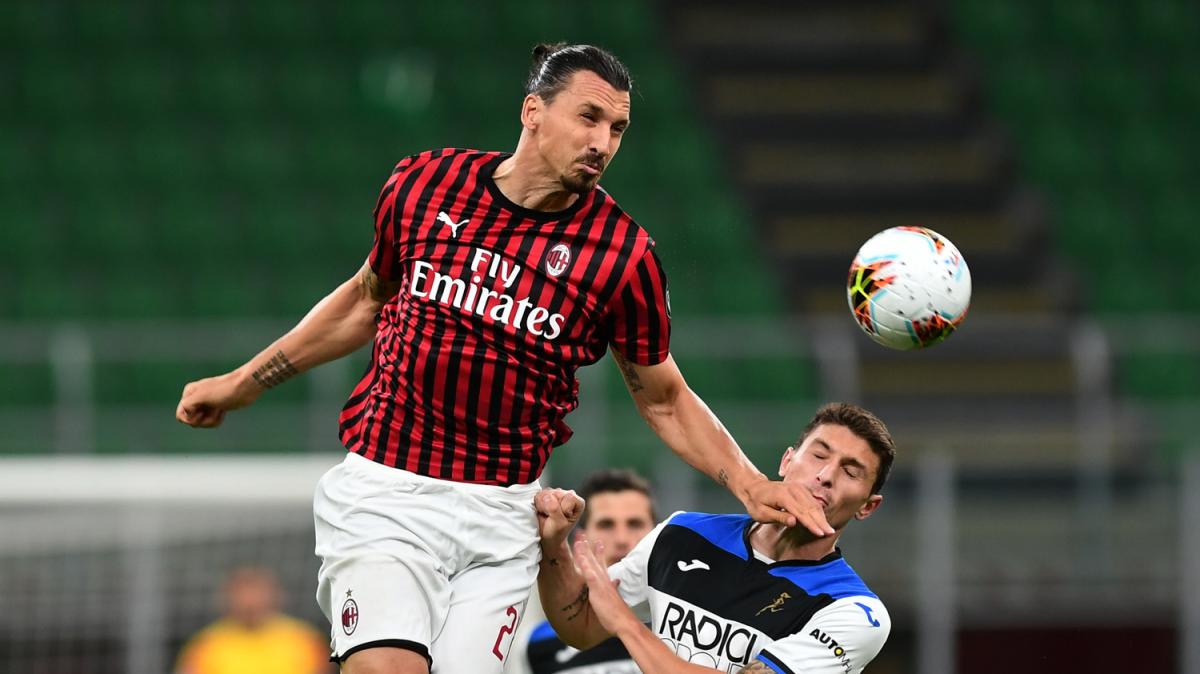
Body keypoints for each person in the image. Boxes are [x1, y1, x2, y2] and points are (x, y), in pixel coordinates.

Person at [175, 42, 832, 674]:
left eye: (618, 129)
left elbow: (663, 398)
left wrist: (752, 485)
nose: (603, 142)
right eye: (589, 117)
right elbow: (366, 298)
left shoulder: (622, 255)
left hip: (503, 516)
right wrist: (243, 383)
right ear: (533, 111)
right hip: (388, 490)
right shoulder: (425, 184)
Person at [534, 403, 894, 674]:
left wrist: (627, 626)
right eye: (818, 455)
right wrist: (554, 547)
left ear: (868, 507)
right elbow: (580, 627)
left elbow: (617, 620)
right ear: (787, 461)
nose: (826, 475)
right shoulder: (683, 533)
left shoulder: (853, 611)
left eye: (851, 472)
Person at [514, 469, 656, 674]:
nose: (622, 539)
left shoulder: (685, 630)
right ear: (581, 539)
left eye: (635, 524)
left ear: (657, 537)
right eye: (606, 525)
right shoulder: (537, 644)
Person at [175, 567, 330, 674]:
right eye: (242, 593)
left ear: (274, 595)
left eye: (256, 592)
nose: (249, 601)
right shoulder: (205, 645)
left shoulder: (306, 640)